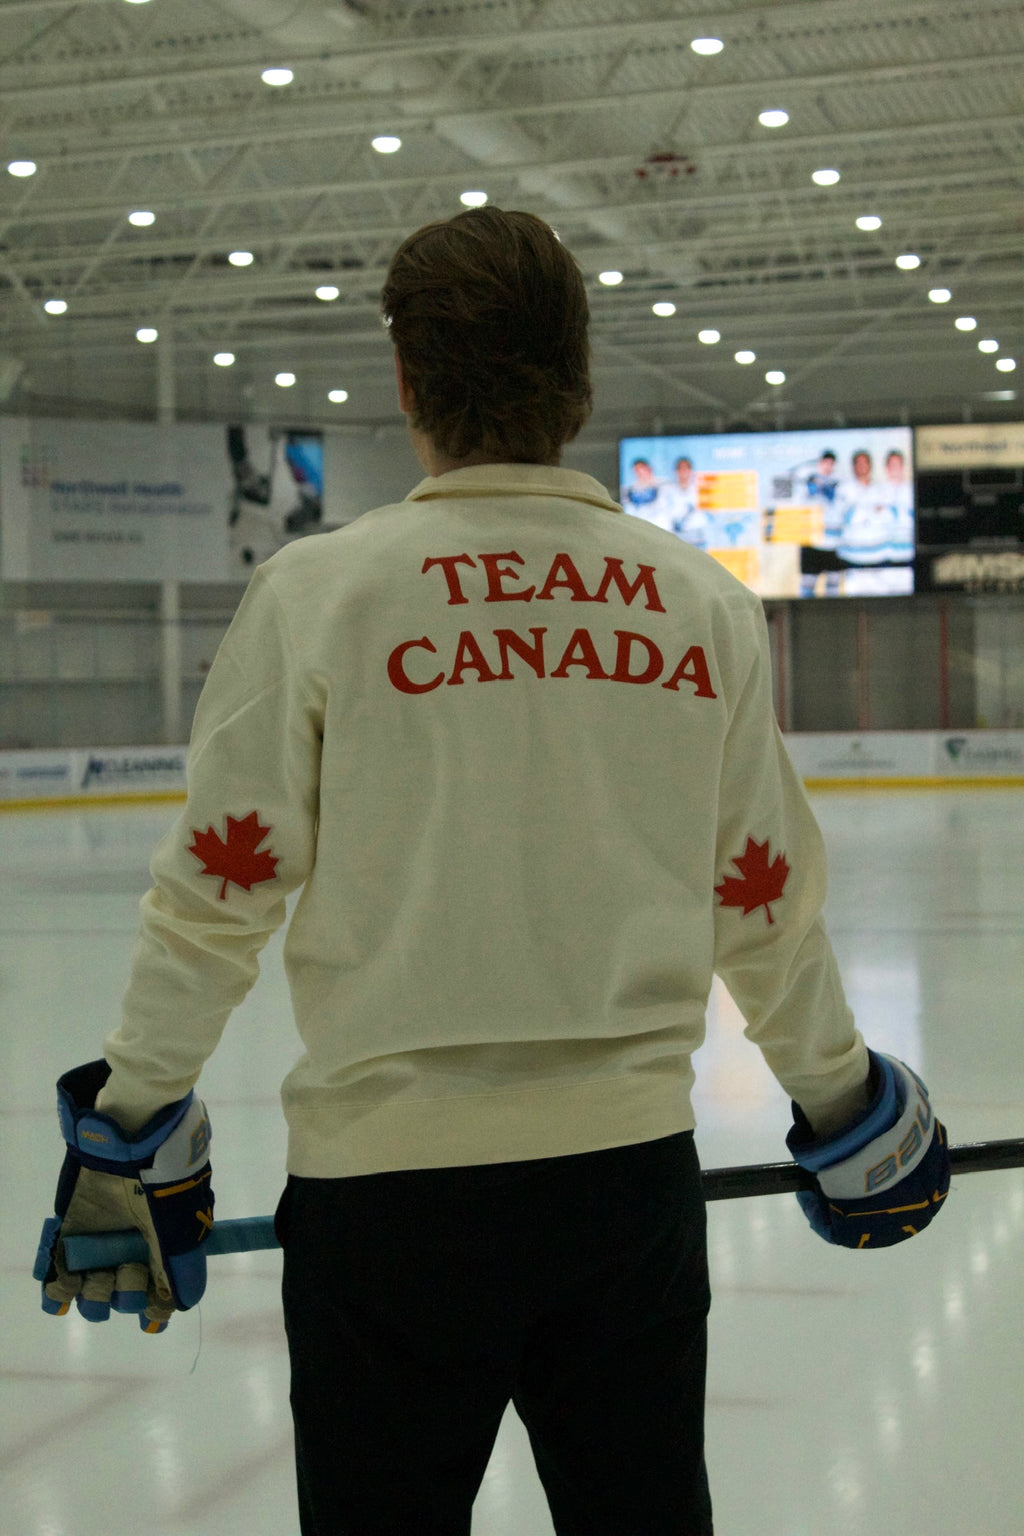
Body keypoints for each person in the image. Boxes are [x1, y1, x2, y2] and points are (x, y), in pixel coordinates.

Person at [37, 208, 950, 1536]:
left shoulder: (320, 593)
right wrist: (845, 1104)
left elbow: (218, 895)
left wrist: (129, 1124)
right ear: (580, 384)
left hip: (382, 1212)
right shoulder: (698, 600)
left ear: (407, 385)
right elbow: (758, 898)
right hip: (623, 1197)